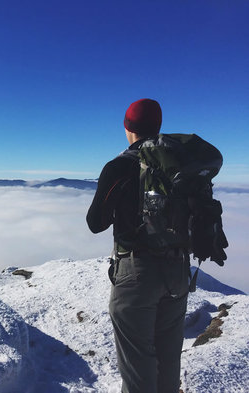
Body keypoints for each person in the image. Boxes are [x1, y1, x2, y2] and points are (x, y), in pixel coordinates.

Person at [86, 98, 190, 393]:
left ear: (127, 127)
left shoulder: (120, 166)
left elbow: (96, 223)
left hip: (137, 274)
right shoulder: (179, 164)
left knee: (138, 367)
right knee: (169, 361)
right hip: (178, 271)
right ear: (158, 127)